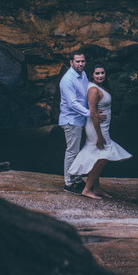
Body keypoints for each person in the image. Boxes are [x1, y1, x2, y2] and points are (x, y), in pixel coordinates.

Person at [67, 65, 131, 199]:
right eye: (97, 73)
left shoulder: (101, 87)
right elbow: (94, 114)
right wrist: (99, 136)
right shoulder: (93, 90)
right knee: (103, 156)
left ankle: (96, 188)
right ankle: (86, 189)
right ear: (92, 75)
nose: (101, 75)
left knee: (97, 156)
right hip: (96, 127)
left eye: (102, 73)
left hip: (103, 126)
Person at [58, 51, 93, 191]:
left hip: (80, 119)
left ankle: (77, 177)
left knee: (77, 151)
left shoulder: (83, 74)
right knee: (72, 151)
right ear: (71, 62)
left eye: (83, 61)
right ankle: (69, 182)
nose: (81, 64)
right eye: (77, 61)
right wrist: (90, 113)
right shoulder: (67, 80)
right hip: (70, 120)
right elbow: (72, 103)